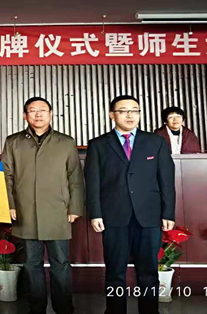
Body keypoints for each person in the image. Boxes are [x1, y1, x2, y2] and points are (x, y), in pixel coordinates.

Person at [84, 95, 175, 314]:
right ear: (112, 115)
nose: (130, 115)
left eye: (134, 110)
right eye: (123, 111)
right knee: (115, 271)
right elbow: (92, 182)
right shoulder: (99, 144)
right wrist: (95, 213)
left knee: (149, 272)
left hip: (149, 215)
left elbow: (166, 180)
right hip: (113, 215)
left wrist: (168, 213)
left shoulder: (155, 142)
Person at [2, 96, 84, 314]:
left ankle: (64, 308)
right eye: (33, 110)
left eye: (43, 110)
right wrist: (10, 204)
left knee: (61, 262)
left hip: (58, 211)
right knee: (32, 264)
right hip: (25, 210)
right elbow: (6, 176)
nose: (38, 114)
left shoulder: (65, 142)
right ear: (25, 115)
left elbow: (75, 176)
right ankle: (36, 308)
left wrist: (75, 207)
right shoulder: (13, 142)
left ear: (51, 114)